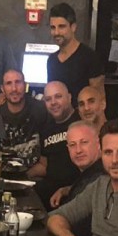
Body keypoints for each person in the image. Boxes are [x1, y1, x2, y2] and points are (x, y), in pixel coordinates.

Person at [30, 81, 80, 209]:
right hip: (48, 189)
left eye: (58, 96)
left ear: (69, 97)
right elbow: (44, 165)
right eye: (48, 99)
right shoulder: (46, 128)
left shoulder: (81, 121)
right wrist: (22, 176)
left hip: (75, 192)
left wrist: (68, 190)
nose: (53, 102)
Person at [46, 2, 105, 99]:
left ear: (73, 27)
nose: (56, 32)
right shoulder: (52, 60)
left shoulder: (90, 57)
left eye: (61, 26)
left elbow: (99, 98)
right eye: (53, 27)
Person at [48, 120, 104, 209]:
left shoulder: (102, 177)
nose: (78, 150)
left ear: (98, 144)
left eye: (84, 142)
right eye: (72, 145)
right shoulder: (88, 175)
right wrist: (67, 190)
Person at [0, 68, 48, 161]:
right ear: (2, 89)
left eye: (18, 82)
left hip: (35, 169)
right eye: (9, 83)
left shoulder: (41, 110)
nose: (14, 88)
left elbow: (46, 160)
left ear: (25, 85)